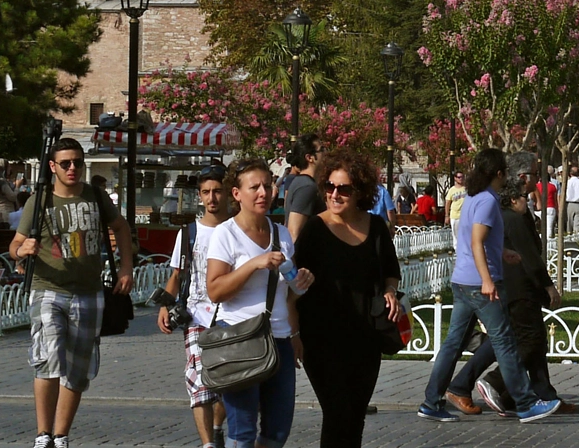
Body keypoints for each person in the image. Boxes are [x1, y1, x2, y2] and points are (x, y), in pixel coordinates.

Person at [416, 148, 560, 423]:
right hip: (478, 284)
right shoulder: (487, 201)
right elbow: (476, 241)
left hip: (463, 280)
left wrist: (503, 253)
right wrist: (487, 279)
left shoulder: (472, 197)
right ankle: (527, 403)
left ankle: (431, 402)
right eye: (504, 171)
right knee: (505, 341)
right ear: (498, 174)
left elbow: (476, 237)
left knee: (452, 345)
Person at [10, 135, 136, 448]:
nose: (72, 168)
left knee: (79, 369)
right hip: (48, 289)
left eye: (77, 162)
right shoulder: (39, 201)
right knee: (48, 358)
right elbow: (14, 244)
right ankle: (42, 434)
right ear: (52, 166)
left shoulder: (95, 196)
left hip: (89, 291)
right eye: (65, 163)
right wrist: (20, 250)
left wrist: (125, 267)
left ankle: (61, 435)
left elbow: (121, 227)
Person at [295, 152, 402, 448]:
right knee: (337, 412)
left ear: (360, 192)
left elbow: (391, 271)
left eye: (344, 189)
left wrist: (390, 291)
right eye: (330, 187)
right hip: (322, 338)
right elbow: (293, 282)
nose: (335, 194)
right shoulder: (314, 229)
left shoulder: (376, 227)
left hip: (365, 337)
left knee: (356, 415)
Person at [204, 159, 312, 448]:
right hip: (240, 340)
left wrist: (300, 285)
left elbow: (287, 294)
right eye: (255, 187)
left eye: (268, 185)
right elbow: (215, 290)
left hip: (279, 340)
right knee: (242, 432)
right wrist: (253, 264)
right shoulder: (225, 234)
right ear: (237, 194)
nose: (264, 192)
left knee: (278, 430)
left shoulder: (281, 234)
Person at [448, 173, 564, 417]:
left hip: (511, 286)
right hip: (517, 288)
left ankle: (539, 394)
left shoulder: (513, 214)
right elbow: (530, 257)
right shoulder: (511, 218)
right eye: (524, 197)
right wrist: (548, 286)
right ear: (512, 198)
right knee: (529, 339)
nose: (529, 200)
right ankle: (496, 383)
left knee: (513, 340)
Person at [158, 163, 228, 448]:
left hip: (232, 316)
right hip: (197, 316)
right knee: (199, 384)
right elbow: (177, 274)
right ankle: (207, 444)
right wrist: (165, 305)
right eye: (206, 192)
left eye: (217, 192)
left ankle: (217, 427)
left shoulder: (237, 229)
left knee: (227, 383)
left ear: (229, 193)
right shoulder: (189, 233)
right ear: (200, 195)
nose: (212, 198)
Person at [280, 137, 320, 242]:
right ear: (310, 157)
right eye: (322, 150)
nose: (325, 154)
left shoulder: (304, 183)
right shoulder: (307, 187)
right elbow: (294, 232)